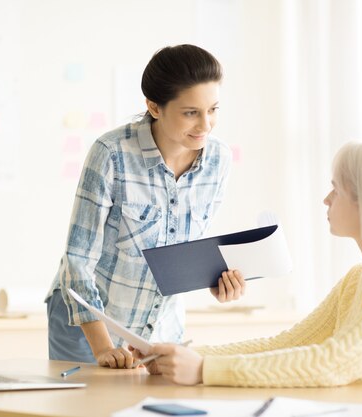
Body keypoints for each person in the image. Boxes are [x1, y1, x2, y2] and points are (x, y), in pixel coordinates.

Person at [137, 140, 362, 388]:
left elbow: (335, 362)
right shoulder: (358, 278)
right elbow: (287, 344)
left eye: (337, 189)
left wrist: (204, 369)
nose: (326, 199)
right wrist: (181, 357)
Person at [45, 44, 246, 369]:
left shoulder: (218, 160)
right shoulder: (111, 153)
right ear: (154, 106)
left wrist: (216, 281)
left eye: (213, 109)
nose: (206, 125)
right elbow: (77, 260)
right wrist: (102, 347)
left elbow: (183, 247)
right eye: (191, 112)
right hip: (88, 325)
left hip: (160, 325)